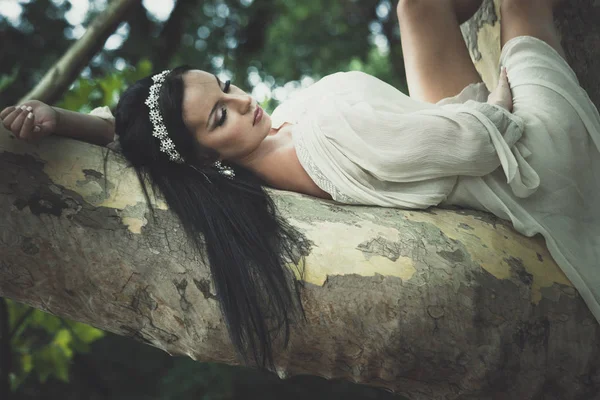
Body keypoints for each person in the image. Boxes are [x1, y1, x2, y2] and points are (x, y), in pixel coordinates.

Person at [3, 0, 599, 370]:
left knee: (416, 7)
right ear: (205, 159)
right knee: (522, 14)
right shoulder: (325, 137)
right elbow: (471, 144)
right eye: (221, 117)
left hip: (445, 133)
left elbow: (147, 144)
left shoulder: (248, 159)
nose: (243, 102)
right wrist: (499, 98)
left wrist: (63, 120)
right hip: (524, 155)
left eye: (228, 87)